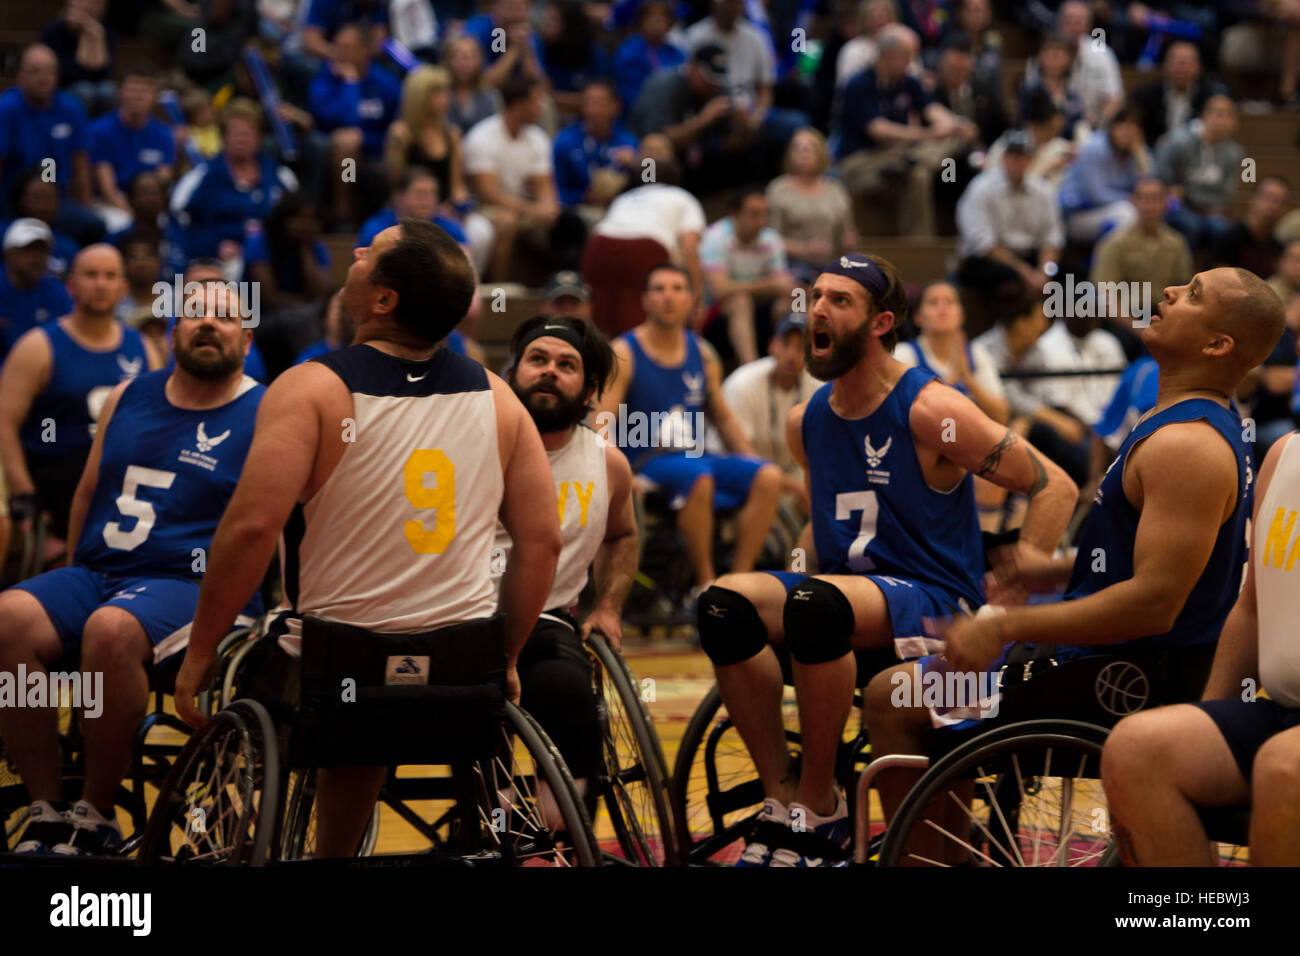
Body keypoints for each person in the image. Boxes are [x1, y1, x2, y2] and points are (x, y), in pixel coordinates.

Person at [172, 219, 562, 859]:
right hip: (461, 674)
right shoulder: (498, 397)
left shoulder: (312, 387)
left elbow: (249, 530)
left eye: (369, 252)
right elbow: (542, 543)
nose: (354, 252)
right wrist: (508, 659)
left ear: (383, 300)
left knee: (281, 678)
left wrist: (200, 653)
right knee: (386, 693)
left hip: (338, 675)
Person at [870, 268, 1285, 861]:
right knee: (926, 675)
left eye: (1193, 295)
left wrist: (1006, 624)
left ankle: (930, 859)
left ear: (1219, 345)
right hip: (1119, 661)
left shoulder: (1186, 445)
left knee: (893, 695)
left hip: (1119, 677)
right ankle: (950, 850)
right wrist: (1057, 571)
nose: (1168, 291)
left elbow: (1155, 602)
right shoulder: (1184, 424)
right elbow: (1164, 558)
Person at [695, 253, 1076, 866]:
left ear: (881, 323)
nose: (818, 309)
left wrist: (1015, 589)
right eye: (816, 296)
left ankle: (822, 801)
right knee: (721, 604)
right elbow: (831, 537)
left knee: (815, 604)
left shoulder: (931, 410)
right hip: (848, 600)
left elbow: (1054, 482)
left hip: (932, 601)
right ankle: (783, 799)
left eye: (840, 300)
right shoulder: (807, 421)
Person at [1, 277, 265, 855]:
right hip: (100, 572)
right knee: (10, 618)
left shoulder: (265, 410)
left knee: (110, 629)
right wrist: (69, 578)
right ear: (172, 330)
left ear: (246, 339)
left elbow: (281, 522)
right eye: (194, 314)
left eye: (223, 317)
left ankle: (97, 812)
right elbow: (86, 491)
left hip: (192, 584)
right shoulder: (128, 394)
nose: (206, 324)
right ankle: (45, 806)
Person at [1102, 425, 1300, 866]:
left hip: (1284, 746)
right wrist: (1210, 718)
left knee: (1283, 766)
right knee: (1136, 748)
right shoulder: (1286, 453)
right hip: (1282, 713)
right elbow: (1251, 609)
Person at [497, 313, 638, 796]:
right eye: (537, 359)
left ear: (590, 390)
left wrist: (609, 607)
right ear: (513, 372)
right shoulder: (472, 442)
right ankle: (484, 817)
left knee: (568, 694)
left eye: (566, 364)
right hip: (459, 615)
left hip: (546, 622)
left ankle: (551, 819)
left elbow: (622, 536)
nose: (549, 371)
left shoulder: (608, 464)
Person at [594, 262, 784, 599]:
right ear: (645, 300)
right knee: (699, 477)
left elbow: (723, 418)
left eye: (677, 289)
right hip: (646, 461)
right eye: (659, 289)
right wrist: (617, 474)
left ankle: (736, 583)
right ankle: (705, 584)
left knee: (767, 476)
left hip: (695, 457)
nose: (668, 297)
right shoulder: (624, 352)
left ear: (691, 301)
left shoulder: (703, 353)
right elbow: (601, 422)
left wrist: (753, 460)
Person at [0, 245, 151, 547]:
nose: (100, 284)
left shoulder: (143, 346)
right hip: (54, 476)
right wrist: (23, 493)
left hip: (122, 483)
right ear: (71, 285)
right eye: (90, 275)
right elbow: (4, 422)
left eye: (110, 276)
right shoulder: (38, 345)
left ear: (123, 288)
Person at [834, 26, 976, 238]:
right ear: (888, 56)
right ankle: (914, 160)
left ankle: (919, 248)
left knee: (921, 171)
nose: (911, 63)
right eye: (907, 57)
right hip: (861, 162)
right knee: (918, 166)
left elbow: (933, 111)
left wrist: (957, 125)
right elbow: (879, 130)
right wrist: (929, 135)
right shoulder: (858, 84)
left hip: (901, 157)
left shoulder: (908, 81)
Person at [581, 137, 706, 336]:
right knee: (641, 332)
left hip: (598, 247)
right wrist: (697, 300)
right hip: (644, 250)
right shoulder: (684, 198)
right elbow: (690, 248)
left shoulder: (625, 197)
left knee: (600, 329)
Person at [699, 189, 795, 366]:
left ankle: (788, 360)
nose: (761, 221)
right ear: (735, 214)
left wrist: (784, 287)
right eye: (754, 214)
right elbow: (720, 289)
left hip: (760, 310)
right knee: (740, 300)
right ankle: (750, 369)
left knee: (794, 297)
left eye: (765, 214)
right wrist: (768, 285)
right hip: (715, 314)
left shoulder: (771, 239)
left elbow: (783, 284)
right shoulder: (716, 237)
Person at [87, 68, 173, 236]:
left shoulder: (164, 135)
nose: (138, 96)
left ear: (154, 96)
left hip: (149, 202)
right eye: (133, 89)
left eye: (144, 91)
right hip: (110, 203)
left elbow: (163, 183)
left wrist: (149, 214)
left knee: (172, 225)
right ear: (121, 92)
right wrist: (136, 218)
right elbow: (109, 190)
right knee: (121, 225)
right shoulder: (99, 131)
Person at [1157, 95, 1243, 253]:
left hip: (1212, 210)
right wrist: (1179, 194)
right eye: (1217, 113)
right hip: (1180, 207)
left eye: (1227, 115)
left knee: (1222, 229)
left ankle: (1214, 273)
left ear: (1234, 122)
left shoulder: (1234, 153)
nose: (1221, 120)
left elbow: (1227, 193)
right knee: (1191, 225)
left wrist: (1194, 196)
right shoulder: (1181, 143)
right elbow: (1167, 179)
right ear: (1204, 116)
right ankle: (1183, 274)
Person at [764, 129, 857, 271]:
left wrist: (848, 241)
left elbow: (847, 232)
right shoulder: (778, 189)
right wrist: (804, 250)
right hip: (791, 266)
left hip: (830, 265)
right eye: (797, 147)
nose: (803, 151)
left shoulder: (836, 189)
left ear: (821, 152)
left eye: (810, 147)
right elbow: (768, 239)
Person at [0, 219, 73, 359]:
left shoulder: (55, 291)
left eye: (41, 250)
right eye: (27, 249)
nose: (35, 256)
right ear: (9, 253)